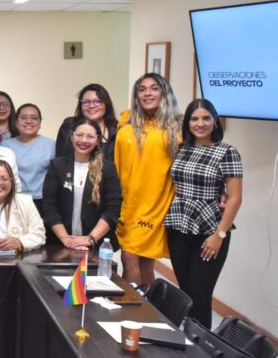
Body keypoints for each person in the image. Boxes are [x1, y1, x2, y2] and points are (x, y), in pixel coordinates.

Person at [165, 99, 242, 328]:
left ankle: (200, 344)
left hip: (210, 231)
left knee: (200, 296)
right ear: (187, 123)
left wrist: (219, 235)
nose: (200, 124)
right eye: (194, 119)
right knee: (186, 293)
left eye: (206, 118)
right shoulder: (182, 149)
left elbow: (235, 198)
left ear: (215, 120)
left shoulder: (227, 152)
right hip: (178, 226)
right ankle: (186, 339)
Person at [115, 73, 182, 286]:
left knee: (129, 258)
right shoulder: (126, 124)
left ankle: (130, 304)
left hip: (156, 204)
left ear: (164, 93)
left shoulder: (176, 129)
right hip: (127, 203)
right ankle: (150, 306)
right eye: (142, 89)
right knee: (143, 263)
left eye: (154, 88)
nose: (147, 93)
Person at [41, 119, 122, 250]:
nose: (84, 140)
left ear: (98, 140)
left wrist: (90, 238)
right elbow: (49, 205)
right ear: (71, 136)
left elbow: (113, 209)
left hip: (96, 244)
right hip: (59, 243)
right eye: (79, 135)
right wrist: (66, 239)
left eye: (90, 136)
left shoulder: (107, 168)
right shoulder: (57, 165)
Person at [4, 103, 55, 211]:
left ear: (40, 123)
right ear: (16, 122)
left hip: (43, 201)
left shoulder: (51, 145)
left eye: (34, 118)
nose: (29, 121)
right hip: (14, 200)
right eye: (23, 118)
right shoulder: (6, 146)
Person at [55, 84, 119, 160]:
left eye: (97, 101)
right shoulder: (69, 125)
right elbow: (60, 159)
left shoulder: (117, 129)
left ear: (106, 104)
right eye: (86, 102)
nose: (91, 106)